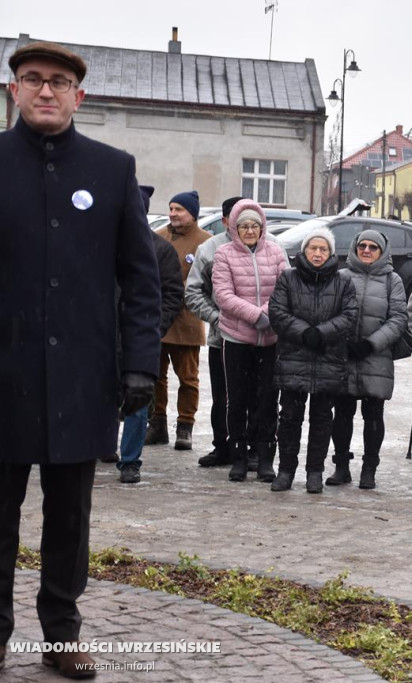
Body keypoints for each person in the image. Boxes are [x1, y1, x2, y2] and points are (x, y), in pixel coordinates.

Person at [1, 41, 161, 677]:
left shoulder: (112, 170)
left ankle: (62, 634)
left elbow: (140, 280)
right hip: (3, 376)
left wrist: (140, 365)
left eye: (59, 82)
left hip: (81, 379)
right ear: (12, 90)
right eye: (33, 80)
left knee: (70, 519)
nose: (46, 91)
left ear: (79, 95)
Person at [268, 228, 357, 493]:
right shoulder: (288, 278)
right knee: (290, 418)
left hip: (328, 359)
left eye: (323, 249)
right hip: (294, 358)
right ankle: (285, 471)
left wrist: (322, 333)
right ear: (304, 251)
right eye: (312, 248)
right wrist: (304, 332)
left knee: (321, 420)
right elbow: (277, 312)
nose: (317, 253)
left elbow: (349, 315)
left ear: (330, 253)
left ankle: (314, 472)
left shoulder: (343, 282)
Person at [212, 200, 288, 483]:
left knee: (268, 399)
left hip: (270, 339)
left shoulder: (276, 252)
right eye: (243, 226)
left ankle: (266, 457)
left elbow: (284, 288)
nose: (249, 230)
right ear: (234, 227)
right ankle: (239, 458)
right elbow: (223, 294)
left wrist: (268, 315)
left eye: (254, 225)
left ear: (262, 227)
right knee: (238, 400)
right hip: (237, 337)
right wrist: (256, 315)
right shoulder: (224, 254)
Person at [330, 229, 408, 490]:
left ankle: (369, 469)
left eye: (372, 247)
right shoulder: (341, 276)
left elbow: (398, 318)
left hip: (376, 357)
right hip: (343, 356)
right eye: (362, 245)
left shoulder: (392, 280)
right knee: (342, 413)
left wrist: (371, 344)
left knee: (373, 415)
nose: (366, 250)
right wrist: (343, 342)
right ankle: (341, 466)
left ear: (382, 251)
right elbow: (330, 312)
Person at [116, 186, 184, 485]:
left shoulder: (161, 249)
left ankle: (130, 460)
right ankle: (102, 446)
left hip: (141, 335)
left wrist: (155, 328)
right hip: (102, 333)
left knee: (139, 398)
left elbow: (172, 294)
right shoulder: (101, 243)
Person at [148, 189, 211, 450]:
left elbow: (207, 281)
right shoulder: (158, 237)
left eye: (179, 210)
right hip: (158, 318)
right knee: (155, 376)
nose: (173, 214)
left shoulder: (205, 241)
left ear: (192, 214)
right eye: (171, 209)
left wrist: (176, 285)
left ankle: (185, 426)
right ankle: (157, 424)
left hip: (187, 320)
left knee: (188, 377)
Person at [185, 196, 243, 468]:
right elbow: (193, 292)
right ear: (224, 221)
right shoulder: (209, 249)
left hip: (260, 340)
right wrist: (217, 319)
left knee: (256, 396)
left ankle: (253, 449)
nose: (245, 224)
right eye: (237, 218)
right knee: (222, 395)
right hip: (222, 339)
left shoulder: (272, 247)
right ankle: (222, 446)